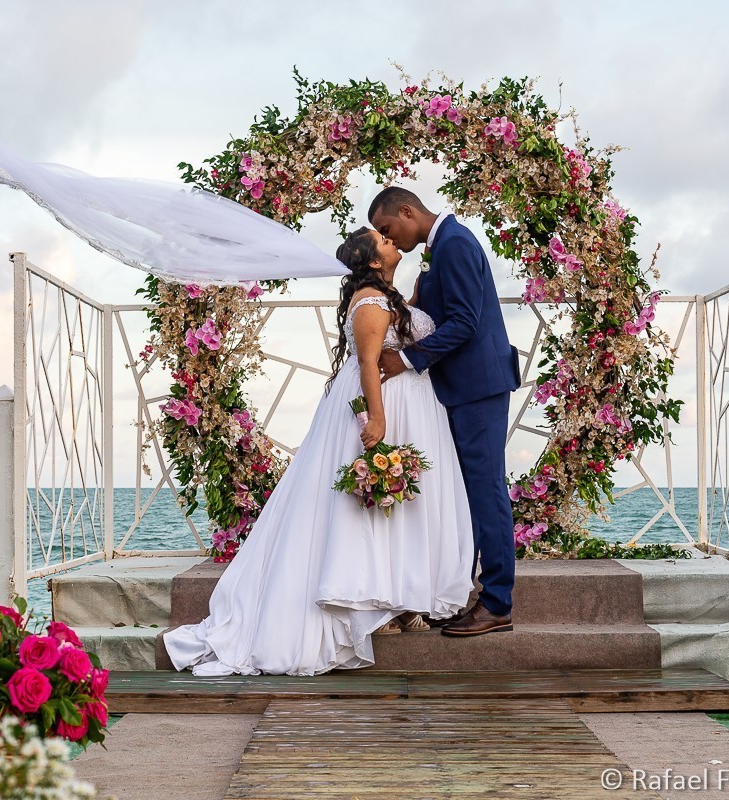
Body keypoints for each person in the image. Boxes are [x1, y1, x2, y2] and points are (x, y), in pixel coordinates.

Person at [164, 228, 474, 675]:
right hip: (384, 406)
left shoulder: (387, 297)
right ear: (372, 261)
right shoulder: (370, 301)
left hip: (416, 408)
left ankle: (404, 597)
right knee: (372, 504)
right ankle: (374, 603)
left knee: (404, 504)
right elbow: (368, 362)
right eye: (383, 239)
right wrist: (377, 419)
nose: (392, 241)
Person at [371, 187, 520, 637]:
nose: (388, 239)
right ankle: (465, 593)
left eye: (386, 228)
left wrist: (406, 359)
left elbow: (465, 323)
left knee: (486, 492)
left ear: (407, 210)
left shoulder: (454, 243)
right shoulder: (442, 247)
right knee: (467, 494)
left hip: (478, 386)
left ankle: (496, 603)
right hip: (464, 388)